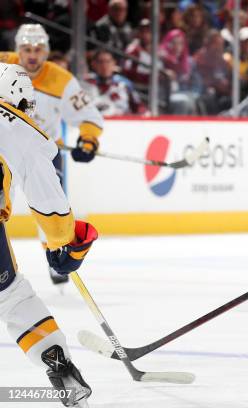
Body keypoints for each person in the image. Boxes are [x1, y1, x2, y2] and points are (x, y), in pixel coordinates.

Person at [0, 63, 97, 407]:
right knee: (13, 299)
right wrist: (66, 244)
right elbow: (50, 209)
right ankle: (57, 364)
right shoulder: (17, 128)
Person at [0, 24, 104, 287]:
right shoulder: (3, 63)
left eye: (38, 49)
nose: (32, 55)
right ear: (17, 49)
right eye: (26, 49)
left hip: (42, 150)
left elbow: (88, 115)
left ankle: (57, 254)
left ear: (46, 51)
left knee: (50, 202)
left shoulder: (62, 80)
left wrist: (88, 139)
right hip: (5, 150)